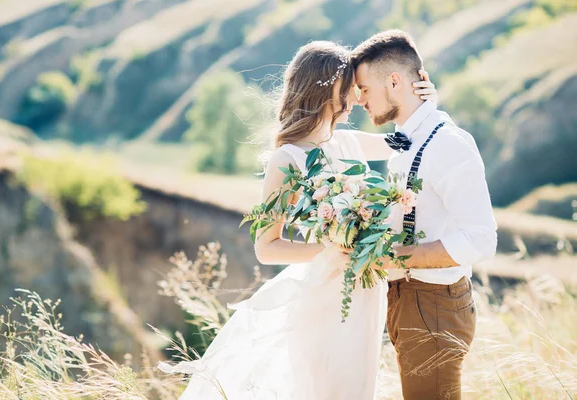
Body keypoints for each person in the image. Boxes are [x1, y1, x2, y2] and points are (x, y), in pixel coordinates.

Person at [159, 40, 437, 400]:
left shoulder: (348, 143)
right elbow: (266, 247)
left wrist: (426, 103)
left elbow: (408, 140)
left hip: (366, 293)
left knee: (357, 387)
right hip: (323, 294)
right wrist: (331, 251)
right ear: (323, 89)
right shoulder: (286, 159)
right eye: (348, 88)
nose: (356, 98)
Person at [350, 29, 498, 399]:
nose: (359, 100)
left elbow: (481, 238)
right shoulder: (409, 139)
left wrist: (392, 257)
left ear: (395, 81)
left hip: (432, 302)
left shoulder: (446, 143)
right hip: (412, 299)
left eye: (364, 88)